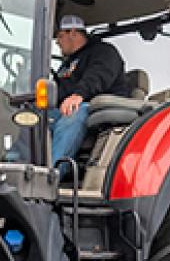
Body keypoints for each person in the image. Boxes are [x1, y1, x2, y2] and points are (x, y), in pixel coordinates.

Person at [50, 15, 125, 174]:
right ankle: (13, 164)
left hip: (98, 111)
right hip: (67, 108)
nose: (57, 41)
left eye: (60, 36)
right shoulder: (68, 64)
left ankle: (51, 175)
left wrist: (79, 95)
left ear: (73, 33)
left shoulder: (103, 52)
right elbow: (59, 89)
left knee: (74, 112)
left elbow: (99, 75)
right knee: (34, 116)